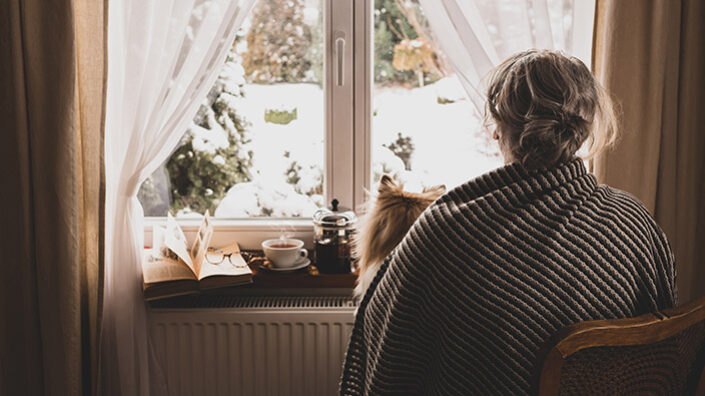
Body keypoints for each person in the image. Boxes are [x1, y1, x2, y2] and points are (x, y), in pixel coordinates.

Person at [339, 49, 677, 395]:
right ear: (584, 127)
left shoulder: (447, 231)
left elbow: (390, 357)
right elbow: (662, 352)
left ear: (499, 129)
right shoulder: (633, 220)